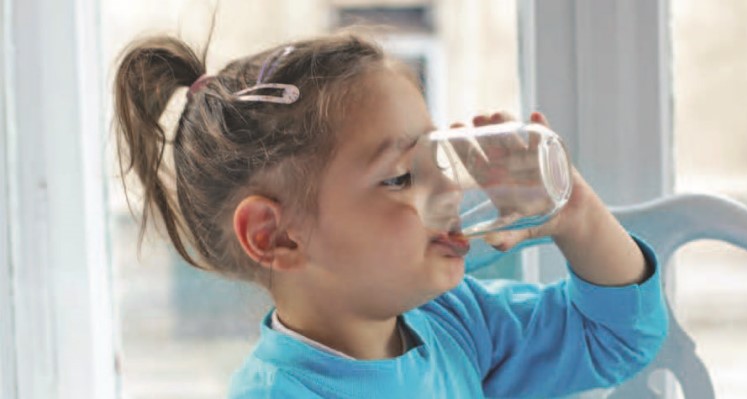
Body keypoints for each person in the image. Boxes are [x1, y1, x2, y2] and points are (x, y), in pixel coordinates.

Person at [113, 29, 668, 398]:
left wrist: (575, 213)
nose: (449, 188)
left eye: (438, 157)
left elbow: (616, 336)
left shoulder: (455, 321)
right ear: (275, 235)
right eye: (402, 176)